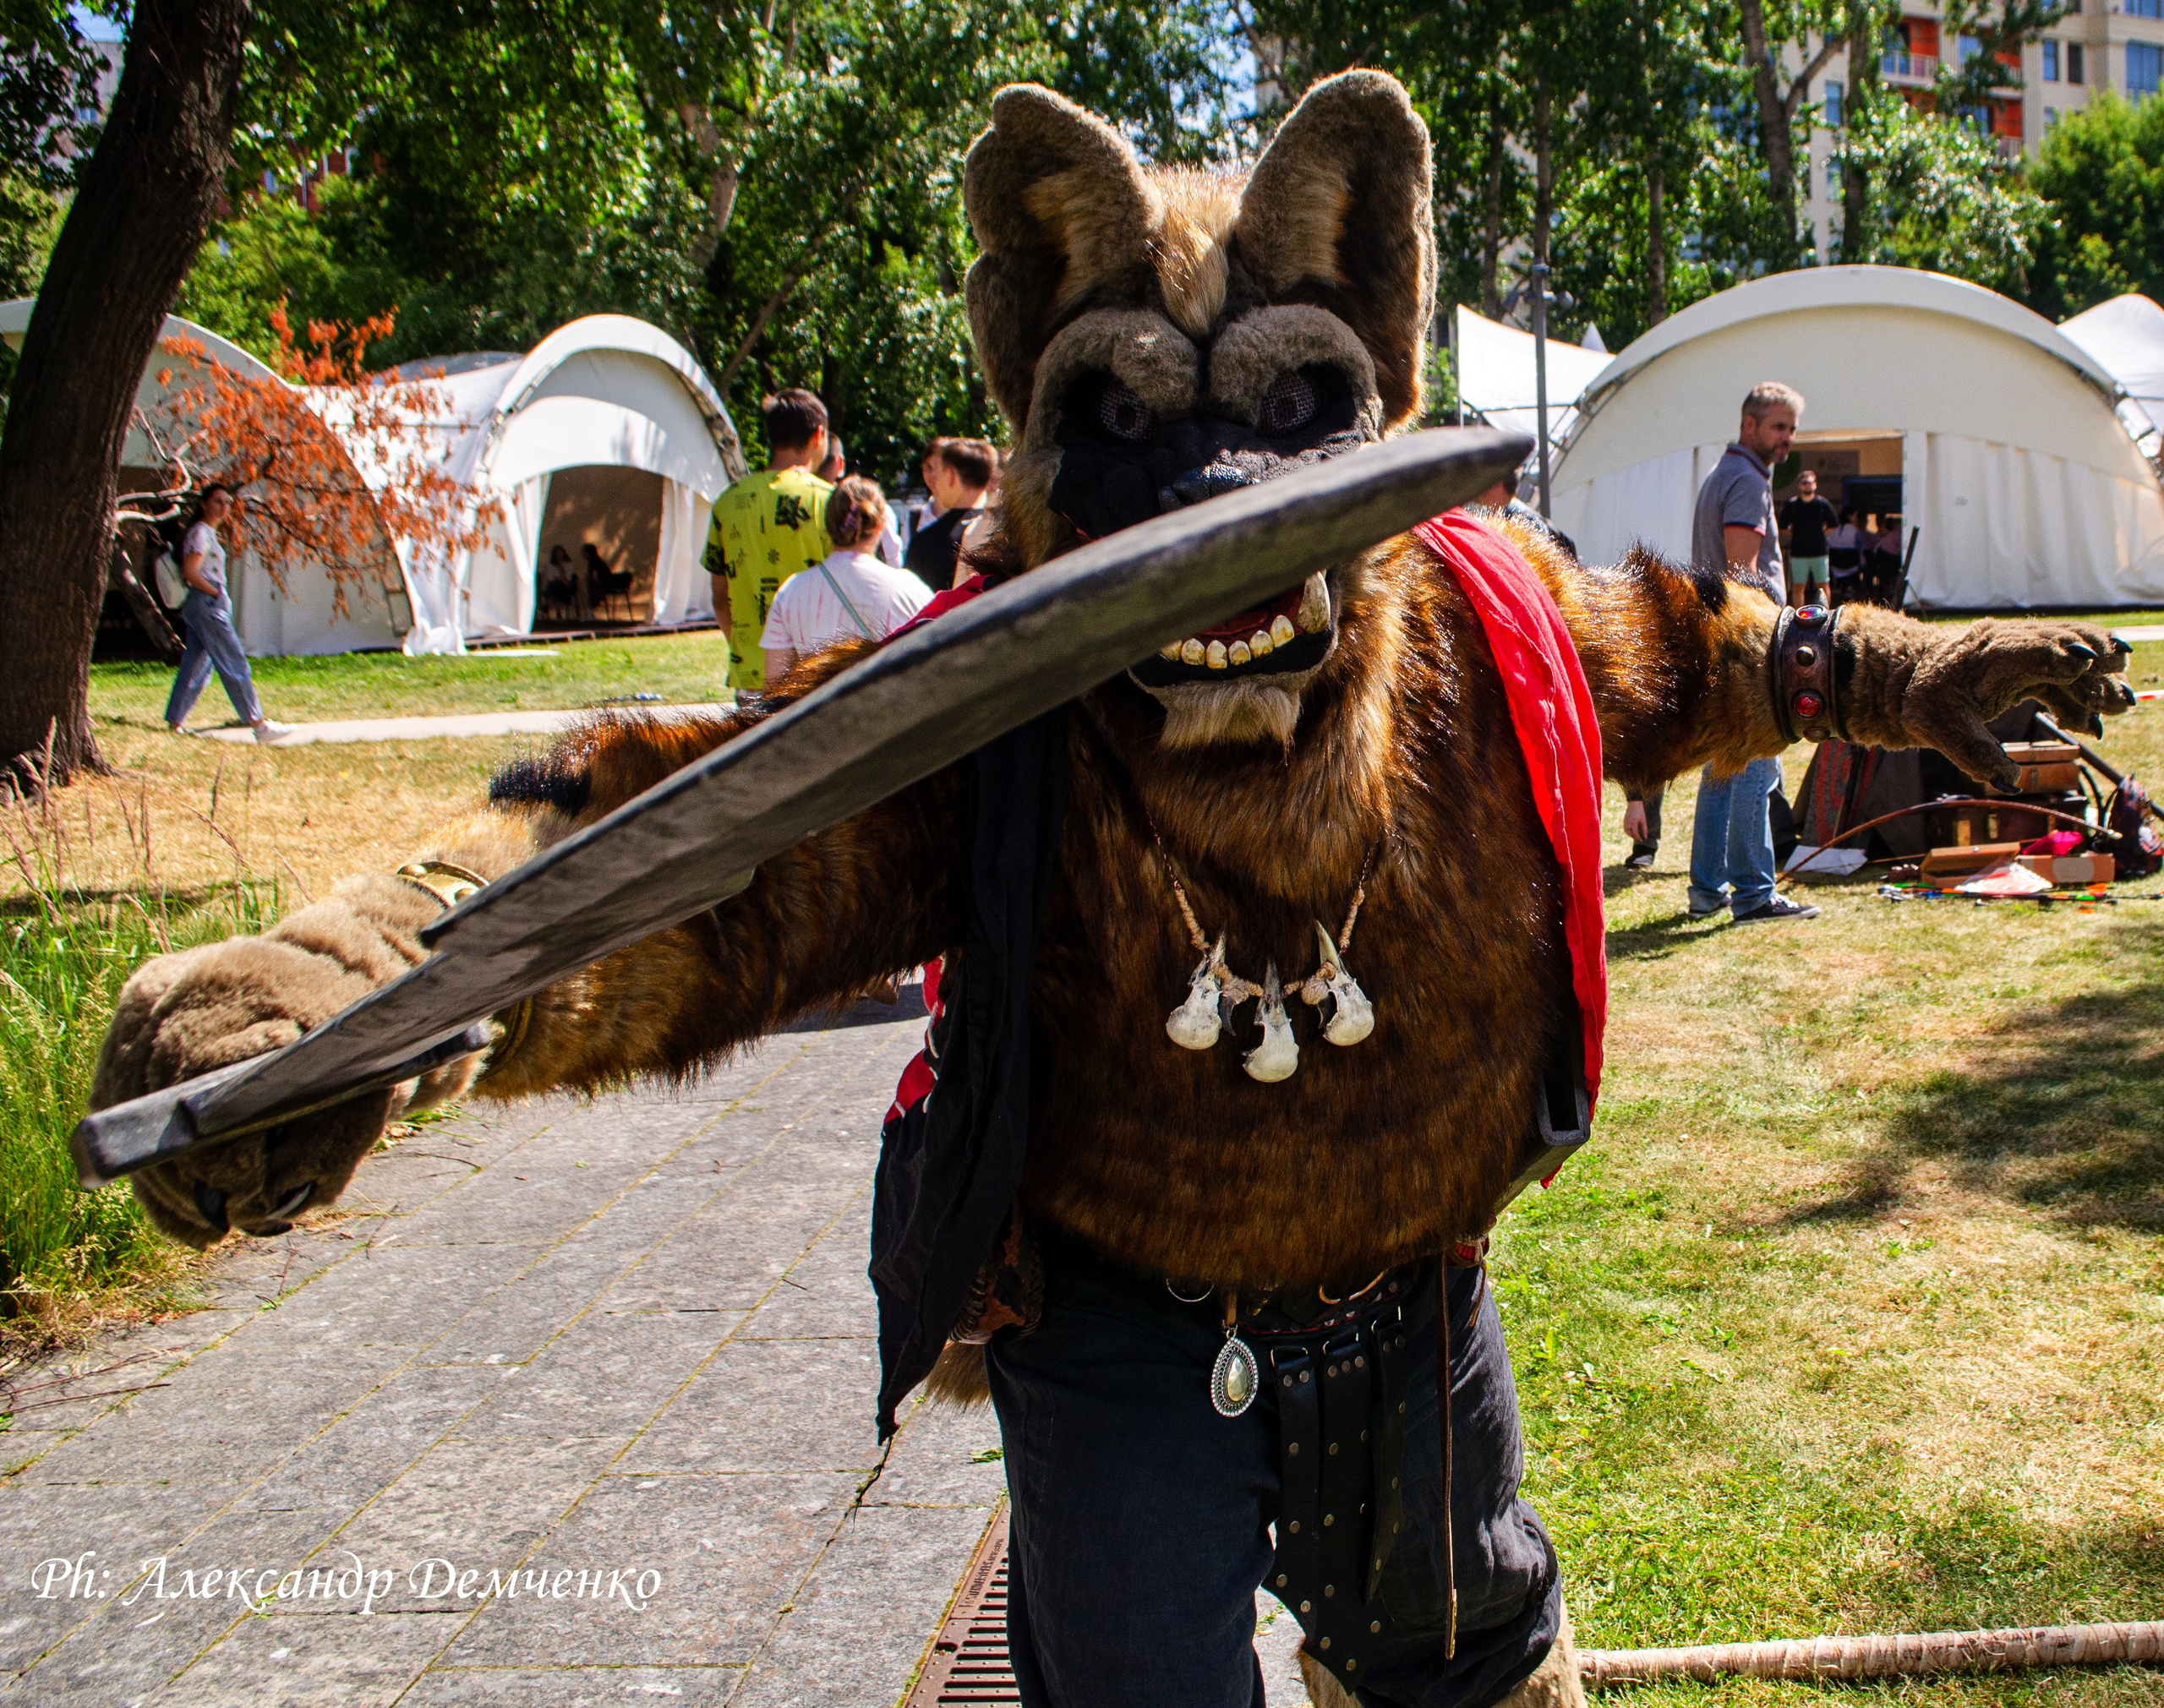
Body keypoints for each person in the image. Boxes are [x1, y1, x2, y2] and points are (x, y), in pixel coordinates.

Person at [1686, 381, 1818, 924]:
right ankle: (1754, 894)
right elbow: (1741, 577)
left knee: (1725, 767)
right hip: (1749, 646)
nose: (1786, 439)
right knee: (1754, 771)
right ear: (1750, 425)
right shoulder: (1744, 481)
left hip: (1724, 643)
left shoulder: (1727, 474)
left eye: (1791, 429)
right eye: (1778, 427)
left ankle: (1706, 891)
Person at [706, 388, 834, 692]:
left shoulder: (728, 503)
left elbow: (720, 599)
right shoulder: (830, 502)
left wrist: (746, 651)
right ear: (819, 435)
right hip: (819, 674)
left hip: (753, 675)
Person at [760, 476, 932, 680]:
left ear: (827, 525)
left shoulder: (790, 592)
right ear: (880, 524)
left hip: (820, 709)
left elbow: (774, 683)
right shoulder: (910, 589)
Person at [162, 483, 292, 744]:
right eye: (218, 502)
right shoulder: (202, 533)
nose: (224, 507)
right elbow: (191, 571)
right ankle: (259, 725)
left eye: (227, 503)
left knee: (197, 666)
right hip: (207, 604)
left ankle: (175, 722)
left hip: (203, 604)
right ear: (204, 504)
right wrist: (214, 593)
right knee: (233, 661)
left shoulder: (204, 532)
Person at [903, 436, 994, 594]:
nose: (936, 482)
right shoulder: (1006, 532)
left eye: (940, 473)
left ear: (951, 476)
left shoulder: (924, 543)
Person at [1779, 469, 1838, 607]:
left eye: (1810, 483)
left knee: (1823, 585)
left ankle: (1825, 615)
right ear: (1799, 486)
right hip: (1799, 553)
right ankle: (1799, 617)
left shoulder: (1823, 504)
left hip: (1819, 552)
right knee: (1798, 586)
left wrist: (1820, 534)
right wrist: (1796, 534)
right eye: (1804, 483)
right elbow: (1782, 526)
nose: (1807, 485)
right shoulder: (1792, 505)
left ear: (1815, 485)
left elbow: (1833, 524)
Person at [1825, 505, 1863, 603]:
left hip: (1835, 565)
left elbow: (1826, 543)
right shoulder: (1855, 531)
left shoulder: (1832, 530)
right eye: (1856, 516)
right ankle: (1853, 589)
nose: (1857, 518)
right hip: (1852, 566)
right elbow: (1862, 547)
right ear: (1850, 517)